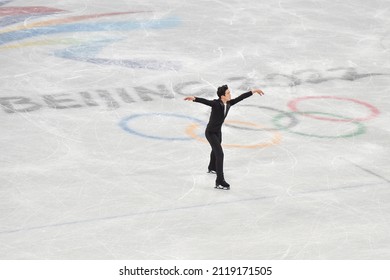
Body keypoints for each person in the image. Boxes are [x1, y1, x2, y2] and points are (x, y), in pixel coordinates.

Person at [184, 85, 264, 190]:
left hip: (218, 132)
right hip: (210, 133)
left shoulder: (229, 103)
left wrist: (253, 91)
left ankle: (212, 167)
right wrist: (195, 98)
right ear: (222, 96)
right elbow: (206, 101)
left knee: (216, 149)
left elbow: (241, 97)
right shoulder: (216, 104)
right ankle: (219, 181)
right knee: (220, 154)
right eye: (228, 93)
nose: (230, 94)